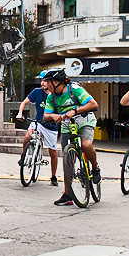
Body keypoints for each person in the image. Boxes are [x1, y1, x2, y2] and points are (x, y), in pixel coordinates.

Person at [42, 67, 100, 206]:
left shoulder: (75, 90)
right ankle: (67, 194)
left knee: (86, 145)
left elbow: (93, 104)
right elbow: (45, 116)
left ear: (57, 82)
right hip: (67, 125)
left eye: (48, 82)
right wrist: (52, 115)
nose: (47, 86)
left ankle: (95, 167)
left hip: (84, 121)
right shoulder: (51, 97)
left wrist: (75, 111)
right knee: (68, 160)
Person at [15, 70, 59, 186]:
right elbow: (24, 102)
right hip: (38, 122)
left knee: (53, 152)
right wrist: (20, 113)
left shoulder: (55, 95)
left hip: (51, 126)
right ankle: (24, 156)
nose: (42, 83)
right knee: (28, 136)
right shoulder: (37, 92)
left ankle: (53, 176)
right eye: (41, 80)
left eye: (45, 80)